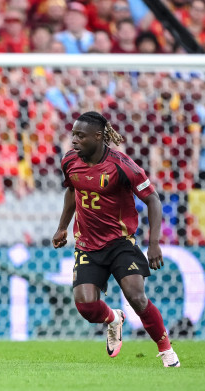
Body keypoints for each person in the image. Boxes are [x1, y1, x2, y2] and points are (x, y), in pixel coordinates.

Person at [52, 111, 180, 368]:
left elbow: (153, 200)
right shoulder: (69, 161)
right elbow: (72, 190)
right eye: (73, 134)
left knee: (136, 296)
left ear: (98, 137)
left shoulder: (122, 165)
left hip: (120, 243)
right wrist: (62, 227)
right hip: (87, 244)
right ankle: (113, 319)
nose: (74, 140)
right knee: (86, 307)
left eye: (80, 135)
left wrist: (154, 243)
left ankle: (165, 349)